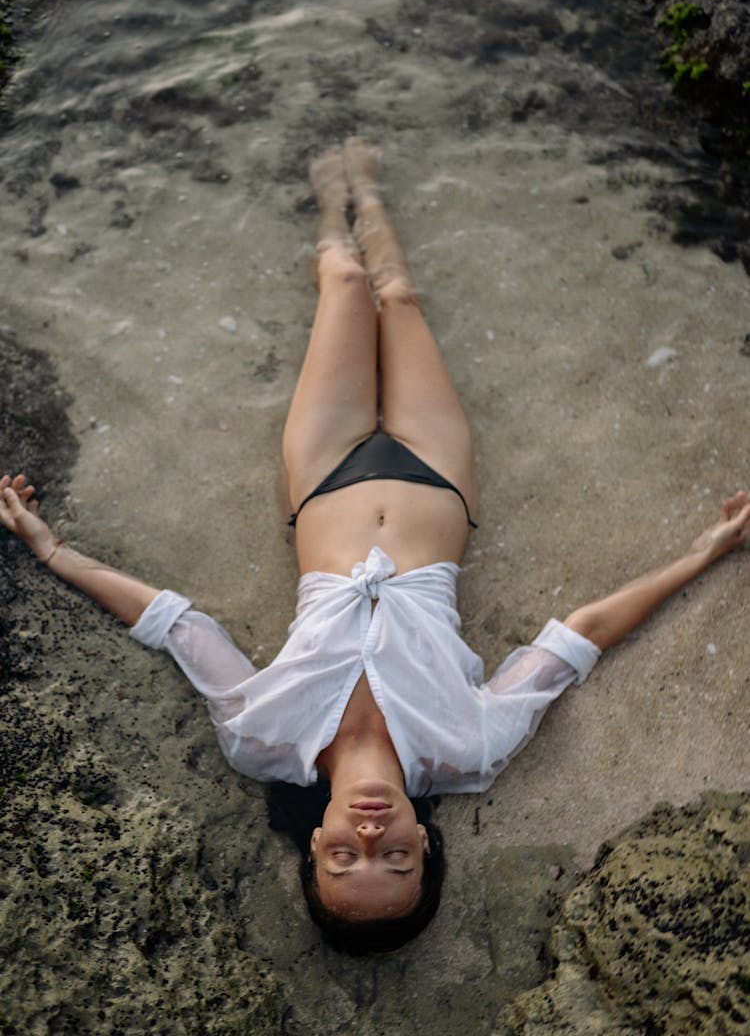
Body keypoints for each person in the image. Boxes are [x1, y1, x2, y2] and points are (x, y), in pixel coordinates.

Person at [2, 138, 749, 955]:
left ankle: (333, 196)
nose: (370, 835)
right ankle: (370, 188)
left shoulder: (262, 740)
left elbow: (178, 625)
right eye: (393, 857)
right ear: (426, 847)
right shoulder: (469, 751)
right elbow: (579, 637)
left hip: (323, 480)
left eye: (342, 856)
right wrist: (706, 550)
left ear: (312, 843)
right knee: (398, 293)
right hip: (437, 481)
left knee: (347, 283)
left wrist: (52, 552)